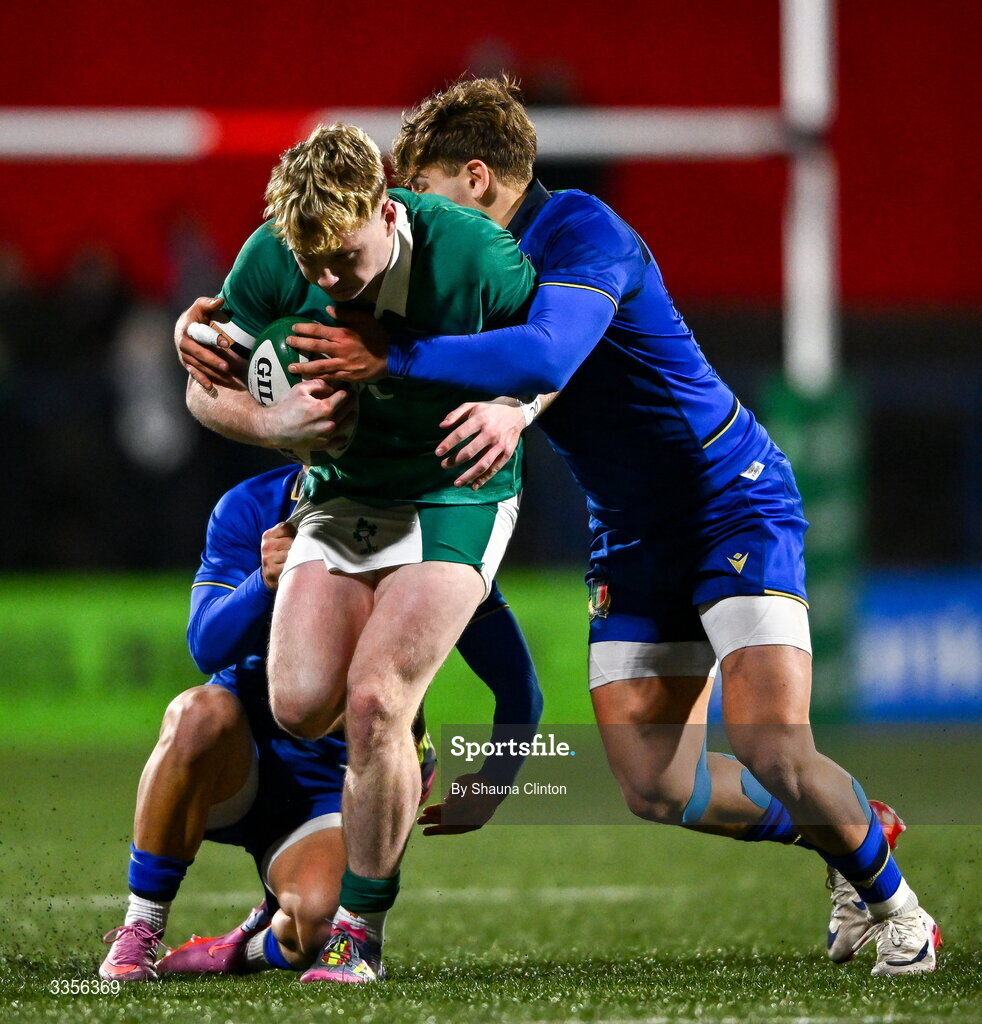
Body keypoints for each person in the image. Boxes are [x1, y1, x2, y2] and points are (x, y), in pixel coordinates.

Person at [268, 79, 940, 977]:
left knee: (774, 742)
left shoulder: (582, 230)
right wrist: (221, 343)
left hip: (727, 499)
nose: (408, 209)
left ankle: (899, 910)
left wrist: (411, 364)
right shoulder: (457, 273)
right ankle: (851, 828)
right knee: (657, 786)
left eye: (420, 186)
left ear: (476, 177)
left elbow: (550, 348)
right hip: (630, 529)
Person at [170, 121, 539, 982]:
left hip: (457, 489)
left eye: (343, 259)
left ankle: (358, 936)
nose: (328, 282)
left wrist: (517, 409)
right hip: (338, 492)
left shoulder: (474, 255)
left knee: (375, 700)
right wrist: (272, 422)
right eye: (312, 267)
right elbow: (203, 388)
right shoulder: (273, 256)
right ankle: (398, 757)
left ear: (385, 208)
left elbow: (559, 348)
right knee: (300, 705)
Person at [98, 462, 543, 983]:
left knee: (319, 924)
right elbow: (207, 645)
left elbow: (519, 687)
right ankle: (141, 929)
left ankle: (250, 944)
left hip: (335, 782)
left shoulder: (431, 524)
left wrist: (493, 784)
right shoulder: (253, 504)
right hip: (245, 754)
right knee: (198, 713)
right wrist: (264, 583)